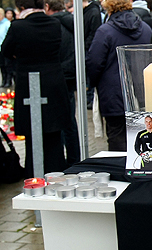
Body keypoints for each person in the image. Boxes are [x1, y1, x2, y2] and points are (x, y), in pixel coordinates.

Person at [2, 0, 71, 177]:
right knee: (54, 133)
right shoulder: (54, 24)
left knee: (33, 134)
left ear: (21, 8)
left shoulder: (18, 27)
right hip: (53, 81)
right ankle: (56, 171)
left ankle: (34, 174)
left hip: (28, 81)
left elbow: (6, 51)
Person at [86, 0, 152, 151]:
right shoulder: (146, 29)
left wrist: (94, 83)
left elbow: (94, 62)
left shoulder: (105, 31)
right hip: (142, 93)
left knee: (117, 137)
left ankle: (119, 171)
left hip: (113, 93)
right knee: (143, 135)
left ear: (108, 7)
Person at [44, 0, 80, 167]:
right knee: (70, 121)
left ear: (47, 7)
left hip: (58, 77)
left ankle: (63, 162)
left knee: (59, 122)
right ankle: (75, 159)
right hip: (71, 75)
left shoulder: (52, 26)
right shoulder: (73, 22)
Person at [0, 9, 11, 88]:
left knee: (7, 65)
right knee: (2, 66)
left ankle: (8, 80)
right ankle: (4, 80)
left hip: (5, 47)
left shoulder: (7, 24)